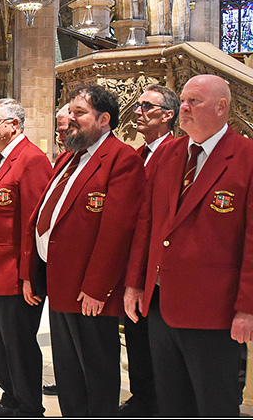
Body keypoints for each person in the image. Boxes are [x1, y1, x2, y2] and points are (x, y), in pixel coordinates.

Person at [125, 75, 253, 416]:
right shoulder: (170, 153)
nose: (184, 107)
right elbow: (147, 223)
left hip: (214, 309)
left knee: (214, 404)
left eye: (194, 101)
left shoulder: (246, 156)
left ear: (221, 107)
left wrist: (247, 308)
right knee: (171, 402)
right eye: (182, 100)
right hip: (161, 304)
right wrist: (135, 283)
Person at [23, 84, 145, 416]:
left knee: (95, 372)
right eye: (70, 112)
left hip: (89, 290)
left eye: (80, 113)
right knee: (68, 372)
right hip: (60, 281)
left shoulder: (122, 159)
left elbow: (117, 231)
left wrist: (97, 288)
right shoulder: (69, 157)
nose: (70, 119)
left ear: (104, 119)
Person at [0, 99, 53, 418]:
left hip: (13, 274)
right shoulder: (1, 158)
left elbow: (33, 224)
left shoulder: (31, 159)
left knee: (18, 346)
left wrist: (29, 276)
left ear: (14, 125)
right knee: (0, 344)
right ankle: (11, 399)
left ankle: (29, 406)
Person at [118, 84, 178, 417]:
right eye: (137, 105)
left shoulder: (175, 153)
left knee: (155, 340)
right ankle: (141, 397)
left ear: (168, 115)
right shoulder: (138, 154)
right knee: (136, 336)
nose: (137, 111)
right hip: (131, 259)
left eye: (146, 106)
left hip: (156, 263)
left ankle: (155, 401)